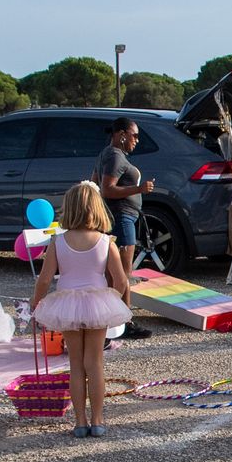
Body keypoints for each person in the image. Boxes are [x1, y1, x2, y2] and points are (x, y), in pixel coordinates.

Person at [30, 182, 134, 438]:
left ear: (70, 209)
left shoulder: (57, 242)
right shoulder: (106, 242)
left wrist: (36, 303)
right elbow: (121, 280)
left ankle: (79, 422)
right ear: (97, 208)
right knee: (95, 362)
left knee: (75, 364)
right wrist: (113, 301)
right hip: (97, 303)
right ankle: (97, 420)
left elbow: (44, 279)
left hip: (67, 304)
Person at [94, 117, 156, 338]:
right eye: (134, 135)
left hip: (119, 217)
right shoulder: (115, 156)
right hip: (121, 217)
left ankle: (122, 321)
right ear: (121, 134)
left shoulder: (106, 154)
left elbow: (94, 184)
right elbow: (106, 189)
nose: (137, 140)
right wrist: (139, 189)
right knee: (121, 275)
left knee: (118, 274)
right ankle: (112, 321)